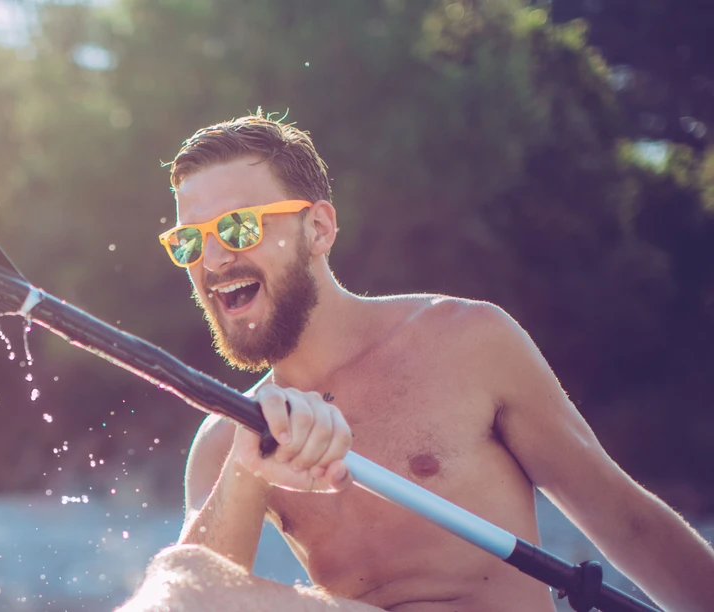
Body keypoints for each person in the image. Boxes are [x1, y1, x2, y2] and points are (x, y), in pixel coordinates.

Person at [119, 116, 714, 611]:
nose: (216, 258)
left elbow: (624, 519)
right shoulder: (228, 439)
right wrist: (249, 469)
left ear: (318, 228)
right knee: (182, 580)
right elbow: (198, 595)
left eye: (238, 226)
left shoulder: (466, 341)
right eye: (191, 242)